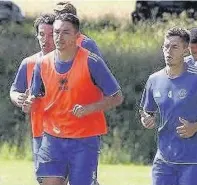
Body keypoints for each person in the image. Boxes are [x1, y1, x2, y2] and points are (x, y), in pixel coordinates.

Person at [28, 13, 123, 185]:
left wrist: (89, 108)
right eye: (56, 32)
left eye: (65, 32)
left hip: (84, 140)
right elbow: (34, 99)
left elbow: (117, 97)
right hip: (52, 138)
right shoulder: (42, 64)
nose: (59, 37)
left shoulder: (92, 61)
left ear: (77, 36)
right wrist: (28, 104)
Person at [140, 27, 197, 185]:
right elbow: (147, 112)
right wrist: (147, 119)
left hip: (194, 161)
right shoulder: (154, 80)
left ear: (185, 51)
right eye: (166, 46)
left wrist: (195, 127)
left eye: (174, 47)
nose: (169, 51)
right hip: (164, 159)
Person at [8, 13, 56, 180]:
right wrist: (19, 98)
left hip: (69, 133)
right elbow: (14, 90)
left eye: (51, 35)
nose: (46, 39)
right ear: (37, 35)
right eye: (42, 34)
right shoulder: (28, 63)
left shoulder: (72, 63)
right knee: (44, 179)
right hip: (40, 133)